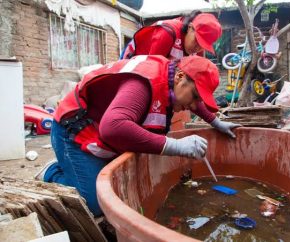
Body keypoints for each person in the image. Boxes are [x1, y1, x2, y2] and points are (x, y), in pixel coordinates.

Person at [35, 55, 240, 217]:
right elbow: (113, 128)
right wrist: (176, 146)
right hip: (74, 129)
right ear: (179, 77)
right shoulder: (143, 84)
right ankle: (52, 172)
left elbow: (193, 101)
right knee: (95, 203)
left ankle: (75, 168)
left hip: (98, 124)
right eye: (196, 96)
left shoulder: (172, 79)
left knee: (120, 185)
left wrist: (216, 122)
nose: (195, 105)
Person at [121, 10, 222, 60]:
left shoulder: (198, 49)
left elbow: (189, 74)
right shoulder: (167, 33)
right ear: (190, 27)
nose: (198, 48)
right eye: (197, 41)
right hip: (132, 60)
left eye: (203, 46)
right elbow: (152, 72)